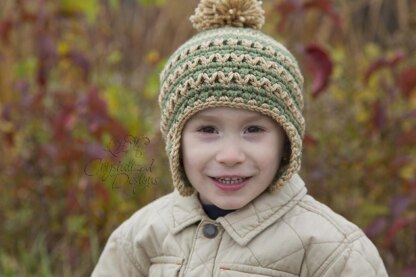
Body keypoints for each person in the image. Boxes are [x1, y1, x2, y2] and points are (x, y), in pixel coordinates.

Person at [92, 0, 388, 276]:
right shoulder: (142, 236)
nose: (230, 155)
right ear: (176, 141)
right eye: (208, 130)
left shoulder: (333, 250)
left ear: (286, 141)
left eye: (253, 130)